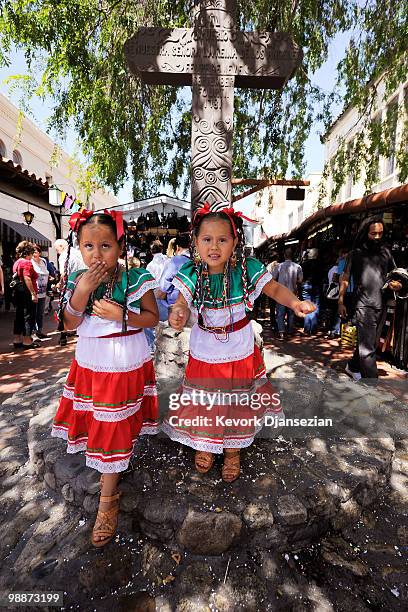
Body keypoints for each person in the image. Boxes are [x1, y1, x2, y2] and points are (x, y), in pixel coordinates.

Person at [162, 205, 315, 482]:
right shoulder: (193, 271)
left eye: (223, 239)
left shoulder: (247, 269)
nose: (214, 246)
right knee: (204, 400)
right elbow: (181, 301)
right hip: (206, 347)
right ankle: (205, 444)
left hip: (239, 347)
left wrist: (295, 303)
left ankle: (233, 451)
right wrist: (178, 312)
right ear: (196, 242)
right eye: (207, 239)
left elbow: (274, 289)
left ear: (235, 241)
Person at [51, 210, 159, 547]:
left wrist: (122, 315)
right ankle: (113, 470)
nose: (97, 254)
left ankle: (107, 501)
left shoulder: (136, 277)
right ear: (79, 248)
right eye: (88, 246)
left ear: (120, 244)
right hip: (90, 362)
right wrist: (82, 290)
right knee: (104, 420)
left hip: (125, 361)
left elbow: (152, 318)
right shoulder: (76, 279)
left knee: (113, 423)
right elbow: (69, 323)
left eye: (106, 245)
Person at [339, 215, 396, 380]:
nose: (377, 237)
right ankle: (372, 384)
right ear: (366, 233)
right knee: (368, 347)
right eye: (373, 234)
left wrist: (396, 283)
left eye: (380, 233)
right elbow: (345, 276)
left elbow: (394, 274)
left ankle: (353, 366)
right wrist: (340, 300)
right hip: (364, 304)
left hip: (382, 302)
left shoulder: (386, 252)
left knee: (369, 341)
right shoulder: (355, 254)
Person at [54, 238, 87, 346]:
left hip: (71, 284)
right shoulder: (78, 252)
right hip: (83, 282)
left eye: (56, 250)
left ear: (62, 247)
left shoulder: (64, 255)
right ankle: (79, 331)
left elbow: (64, 273)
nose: (57, 252)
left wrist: (59, 284)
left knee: (63, 308)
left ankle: (63, 336)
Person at [156, 233, 191, 321]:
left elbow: (163, 288)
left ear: (178, 247)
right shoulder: (197, 260)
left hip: (174, 306)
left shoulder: (177, 260)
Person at [12, 241, 39, 349]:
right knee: (29, 316)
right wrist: (33, 294)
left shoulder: (17, 262)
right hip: (26, 293)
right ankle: (27, 341)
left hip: (18, 293)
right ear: (29, 252)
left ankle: (17, 339)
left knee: (19, 315)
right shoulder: (26, 262)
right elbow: (27, 278)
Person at [272, 248, 303, 339]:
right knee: (291, 313)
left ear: (284, 255)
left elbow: (273, 278)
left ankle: (281, 332)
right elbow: (300, 280)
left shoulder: (279, 266)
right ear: (292, 256)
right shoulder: (298, 267)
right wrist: (294, 281)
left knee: (280, 313)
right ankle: (290, 331)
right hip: (292, 293)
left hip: (281, 293)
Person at [145, 240, 168, 350]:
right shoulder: (168, 261)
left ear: (151, 251)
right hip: (166, 293)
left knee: (152, 323)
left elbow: (148, 283)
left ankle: (153, 347)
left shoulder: (151, 265)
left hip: (155, 294)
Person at [301, 248, 323, 335]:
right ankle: (313, 328)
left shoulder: (304, 264)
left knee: (307, 306)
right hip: (316, 285)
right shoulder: (320, 264)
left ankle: (307, 328)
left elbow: (302, 276)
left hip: (306, 285)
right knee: (315, 306)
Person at [31, 245, 50, 338]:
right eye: (32, 252)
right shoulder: (30, 262)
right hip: (35, 291)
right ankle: (33, 333)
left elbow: (49, 271)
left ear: (39, 252)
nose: (34, 254)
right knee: (33, 312)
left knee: (40, 312)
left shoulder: (44, 261)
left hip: (43, 291)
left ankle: (40, 331)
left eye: (36, 252)